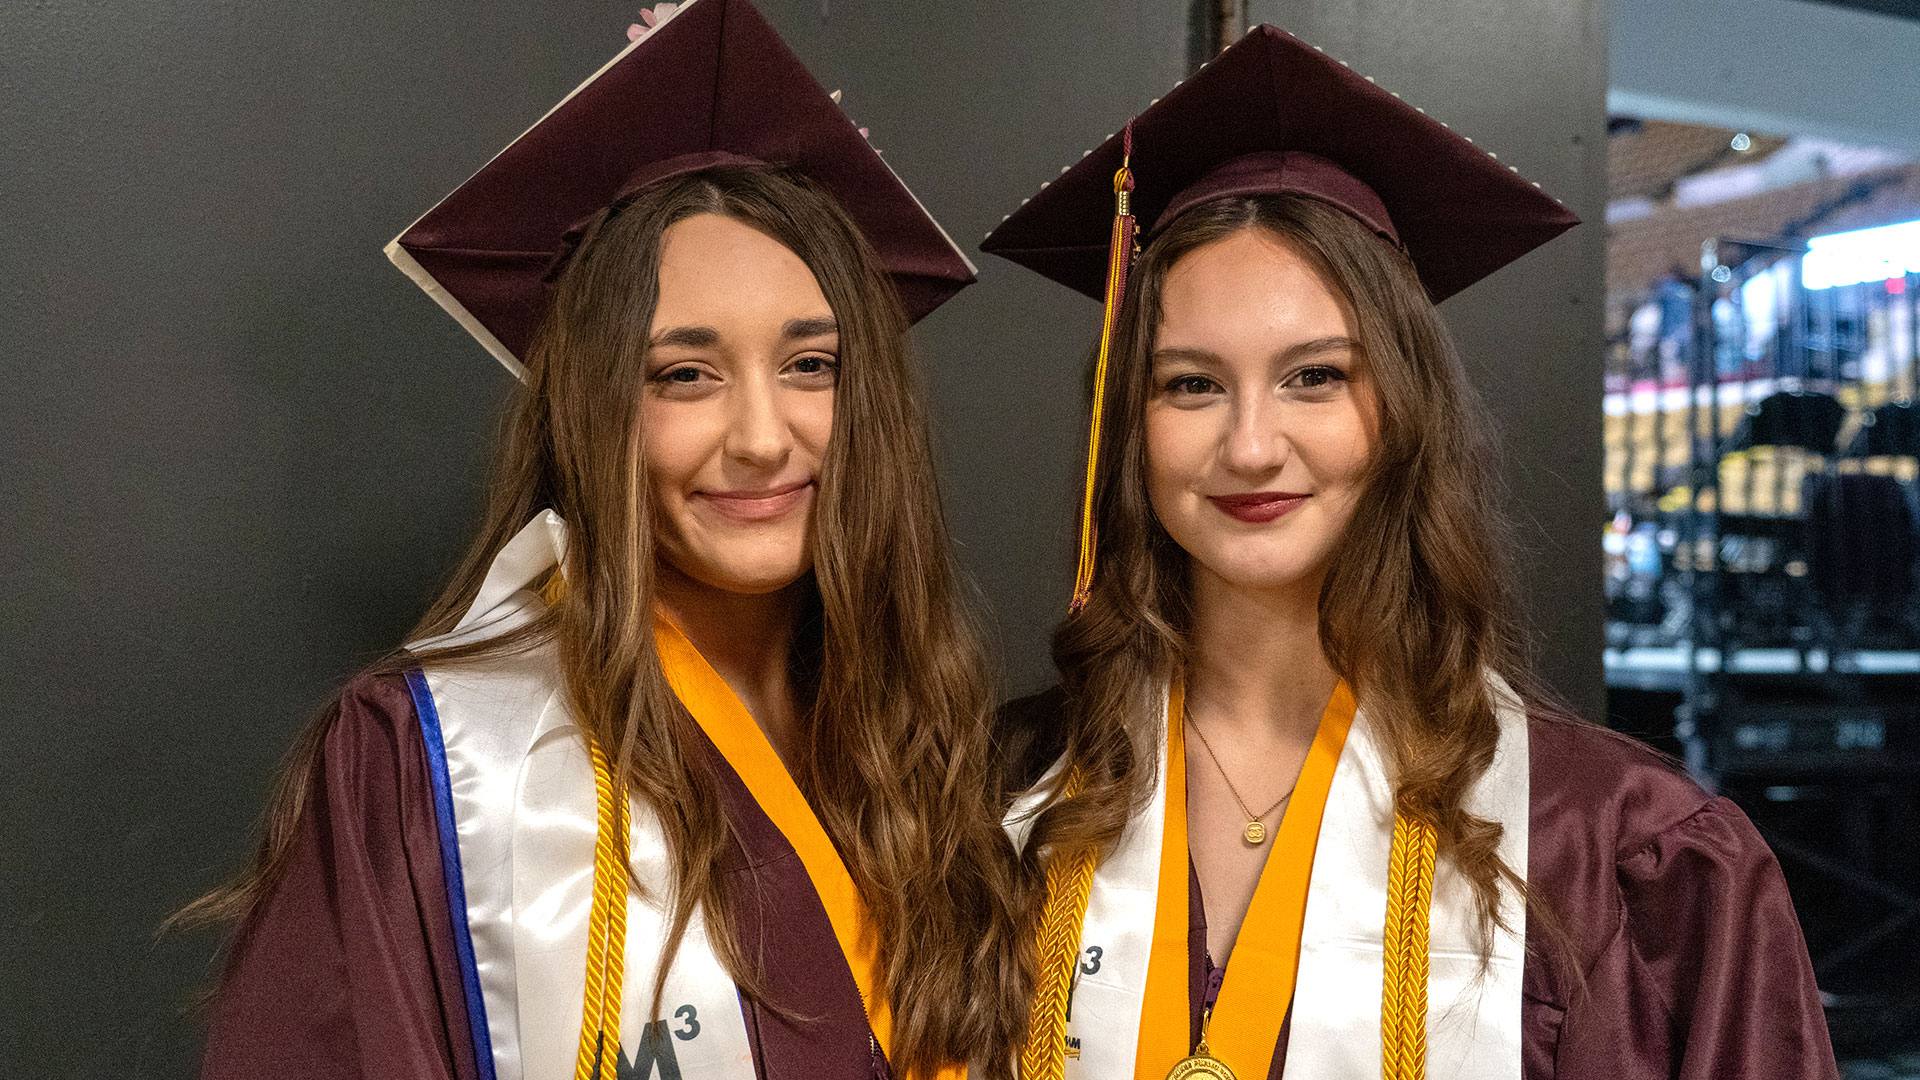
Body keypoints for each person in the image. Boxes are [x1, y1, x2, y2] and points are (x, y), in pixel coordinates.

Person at [983, 25, 1838, 1080]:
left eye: (1317, 376)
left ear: (1405, 409)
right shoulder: (1002, 799)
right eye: (1190, 384)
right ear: (1130, 425)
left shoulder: (1618, 850)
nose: (1251, 445)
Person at [186, 2, 1023, 1078]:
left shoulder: (923, 747)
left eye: (812, 365)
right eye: (685, 373)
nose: (765, 438)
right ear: (593, 407)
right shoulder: (434, 763)